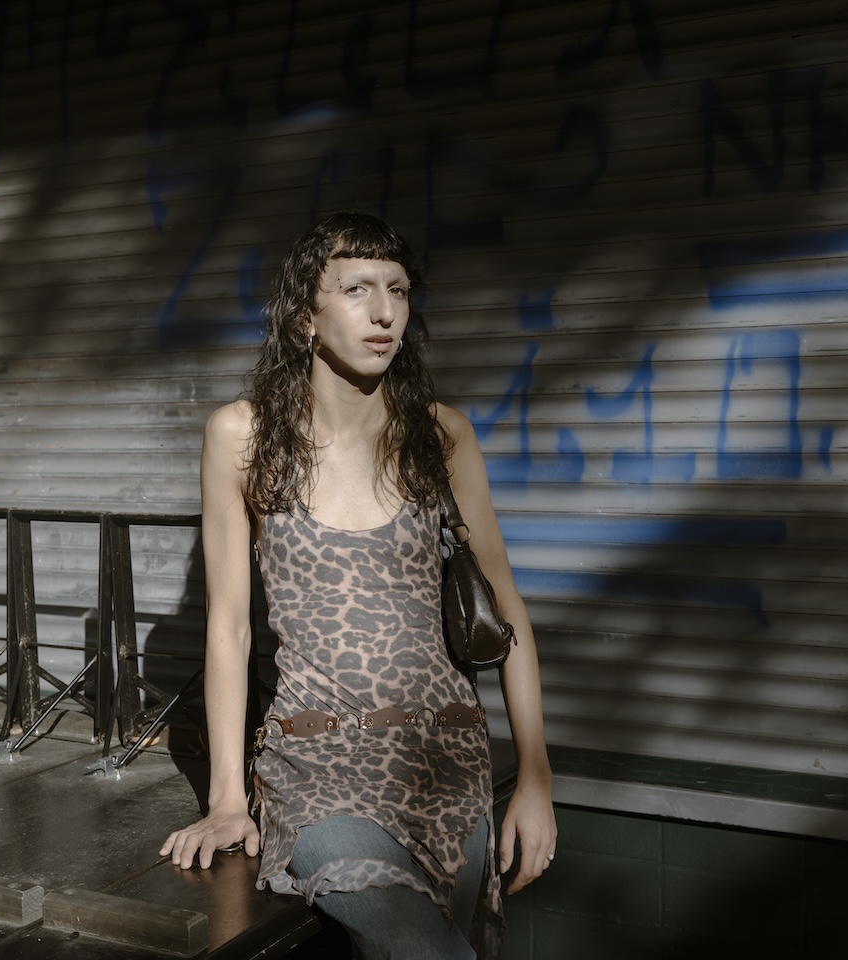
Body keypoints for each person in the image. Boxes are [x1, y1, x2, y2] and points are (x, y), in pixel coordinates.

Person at [160, 212, 555, 959]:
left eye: (398, 291)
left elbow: (506, 615)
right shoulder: (242, 438)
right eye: (356, 289)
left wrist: (535, 777)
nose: (383, 313)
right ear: (305, 316)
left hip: (446, 763)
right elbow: (230, 628)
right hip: (321, 771)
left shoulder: (441, 437)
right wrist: (225, 800)